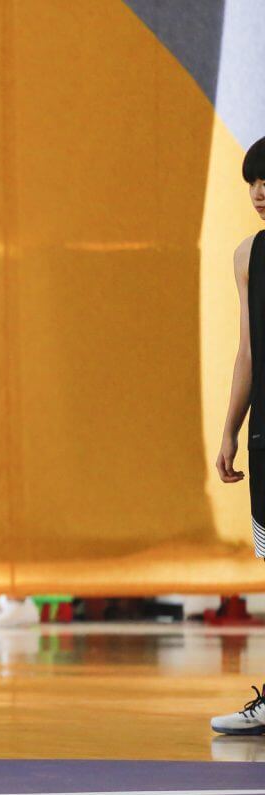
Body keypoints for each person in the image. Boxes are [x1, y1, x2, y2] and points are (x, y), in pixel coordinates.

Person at [212, 135, 265, 737]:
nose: (259, 191)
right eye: (252, 180)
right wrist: (230, 428)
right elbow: (248, 351)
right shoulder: (247, 255)